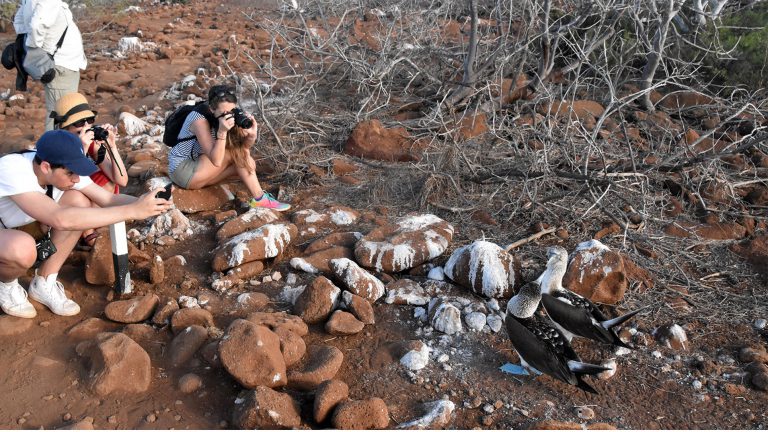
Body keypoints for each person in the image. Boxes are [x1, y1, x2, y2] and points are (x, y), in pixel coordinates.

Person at [0, 130, 172, 318]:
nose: (76, 179)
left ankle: (44, 282)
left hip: (20, 222)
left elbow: (107, 199)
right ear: (46, 167)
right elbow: (60, 218)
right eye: (70, 173)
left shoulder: (64, 165)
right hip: (9, 231)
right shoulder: (12, 169)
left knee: (79, 201)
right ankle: (5, 284)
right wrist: (133, 211)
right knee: (22, 249)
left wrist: (145, 202)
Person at [167, 84, 290, 211]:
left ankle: (259, 197)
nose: (228, 116)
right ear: (211, 109)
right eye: (224, 113)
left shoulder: (232, 115)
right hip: (182, 169)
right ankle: (260, 199)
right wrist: (222, 132)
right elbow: (217, 161)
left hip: (201, 167)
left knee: (247, 164)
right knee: (239, 157)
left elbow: (245, 148)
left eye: (231, 111)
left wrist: (251, 136)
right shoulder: (199, 120)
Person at [52, 92, 128, 248]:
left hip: (86, 200)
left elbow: (121, 180)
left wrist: (111, 146)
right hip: (61, 204)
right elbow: (67, 181)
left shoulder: (92, 142)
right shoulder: (55, 145)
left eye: (90, 120)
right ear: (64, 127)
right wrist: (82, 148)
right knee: (76, 194)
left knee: (107, 178)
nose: (86, 127)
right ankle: (86, 232)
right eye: (80, 122)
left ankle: (89, 226)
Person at [13, 0, 87, 131]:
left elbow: (19, 22)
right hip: (62, 63)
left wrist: (34, 46)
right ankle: (54, 150)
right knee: (62, 114)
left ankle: (53, 148)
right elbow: (36, 25)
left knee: (59, 113)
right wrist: (35, 48)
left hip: (60, 62)